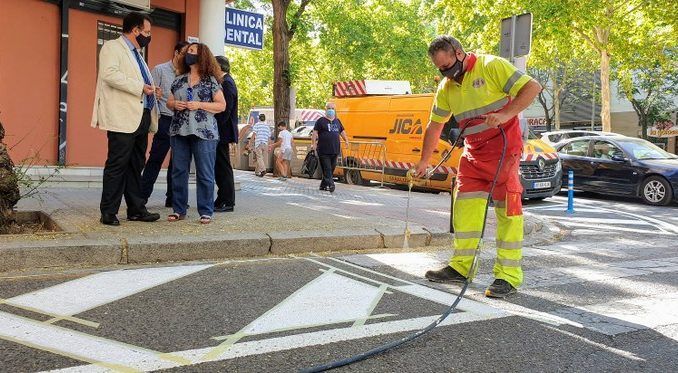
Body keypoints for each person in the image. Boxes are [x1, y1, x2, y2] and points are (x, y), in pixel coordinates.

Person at [414, 35, 542, 298]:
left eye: (448, 66)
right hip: (473, 151)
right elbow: (435, 126)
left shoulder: (491, 66)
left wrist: (506, 114)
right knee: (465, 210)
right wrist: (424, 162)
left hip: (505, 149)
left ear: (460, 54)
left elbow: (532, 87)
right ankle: (461, 267)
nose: (446, 73)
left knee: (508, 211)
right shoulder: (446, 88)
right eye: (440, 69)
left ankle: (507, 276)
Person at [91, 12, 161, 226]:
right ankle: (108, 212)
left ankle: (136, 209)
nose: (148, 36)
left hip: (142, 116)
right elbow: (109, 74)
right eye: (147, 32)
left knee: (135, 165)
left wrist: (151, 90)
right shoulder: (113, 48)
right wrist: (141, 87)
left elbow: (140, 82)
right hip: (123, 117)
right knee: (117, 164)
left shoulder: (138, 54)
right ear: (135, 30)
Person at [166, 43, 226, 224]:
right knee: (178, 172)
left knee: (205, 173)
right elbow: (169, 101)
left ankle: (206, 211)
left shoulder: (211, 81)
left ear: (202, 57)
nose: (189, 54)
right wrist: (174, 104)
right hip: (179, 130)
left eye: (193, 52)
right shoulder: (178, 79)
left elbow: (221, 105)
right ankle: (178, 209)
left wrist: (199, 104)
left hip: (205, 133)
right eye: (188, 51)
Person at [141, 41, 188, 207]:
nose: (186, 57)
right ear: (176, 53)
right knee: (156, 159)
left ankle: (173, 199)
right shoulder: (160, 70)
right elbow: (149, 94)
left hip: (181, 122)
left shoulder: (187, 74)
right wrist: (158, 118)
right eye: (184, 53)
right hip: (165, 119)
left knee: (178, 163)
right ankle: (141, 198)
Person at [213, 56, 238, 212]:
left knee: (223, 167)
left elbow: (225, 111)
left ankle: (227, 200)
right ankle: (222, 198)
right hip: (222, 131)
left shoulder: (227, 83)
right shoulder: (225, 81)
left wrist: (215, 126)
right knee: (220, 166)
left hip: (223, 132)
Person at [312, 102, 349, 192]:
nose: (331, 110)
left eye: (332, 108)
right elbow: (315, 133)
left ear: (335, 110)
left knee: (331, 169)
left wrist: (346, 140)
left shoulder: (337, 121)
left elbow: (342, 132)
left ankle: (323, 185)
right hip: (323, 150)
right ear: (326, 109)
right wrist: (313, 144)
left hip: (335, 150)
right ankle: (331, 184)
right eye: (329, 108)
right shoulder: (321, 121)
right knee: (327, 168)